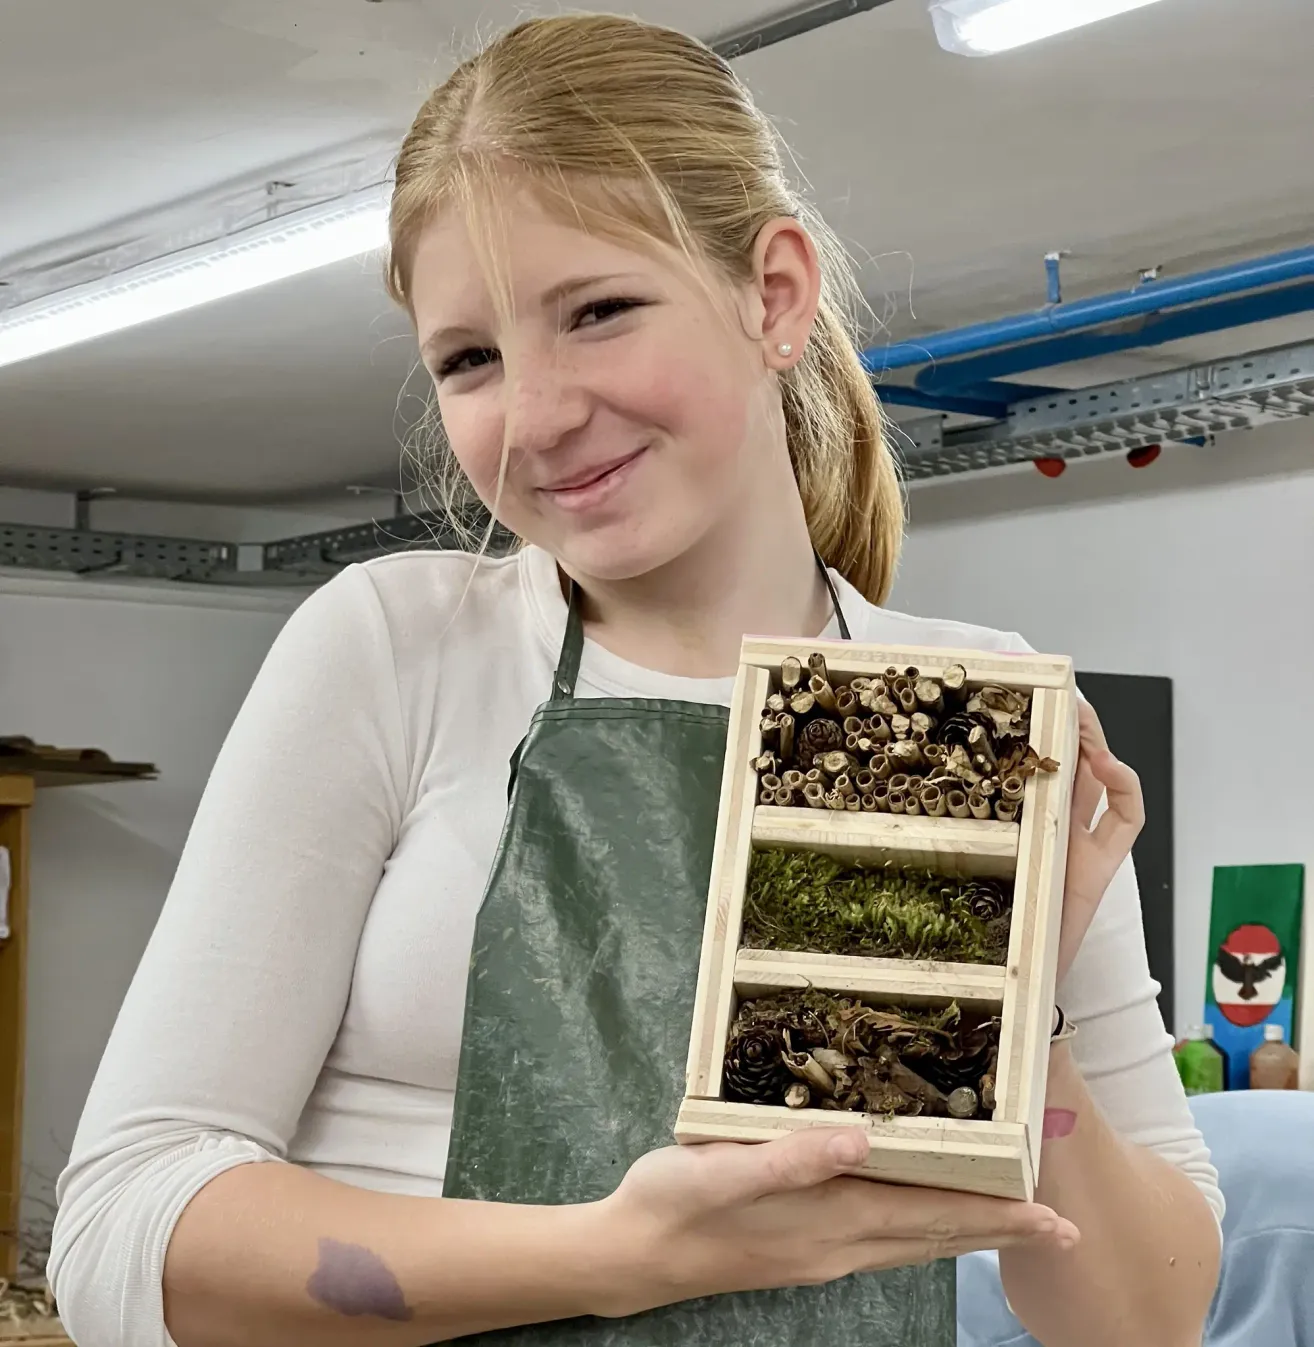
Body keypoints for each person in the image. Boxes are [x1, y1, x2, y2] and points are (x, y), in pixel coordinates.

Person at [49, 14, 1222, 1347]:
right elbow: (120, 1239)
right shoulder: (405, 645)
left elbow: (1143, 1323)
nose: (538, 411)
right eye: (470, 360)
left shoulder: (941, 711)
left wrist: (1024, 1002)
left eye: (598, 312)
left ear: (771, 294)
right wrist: (618, 1253)